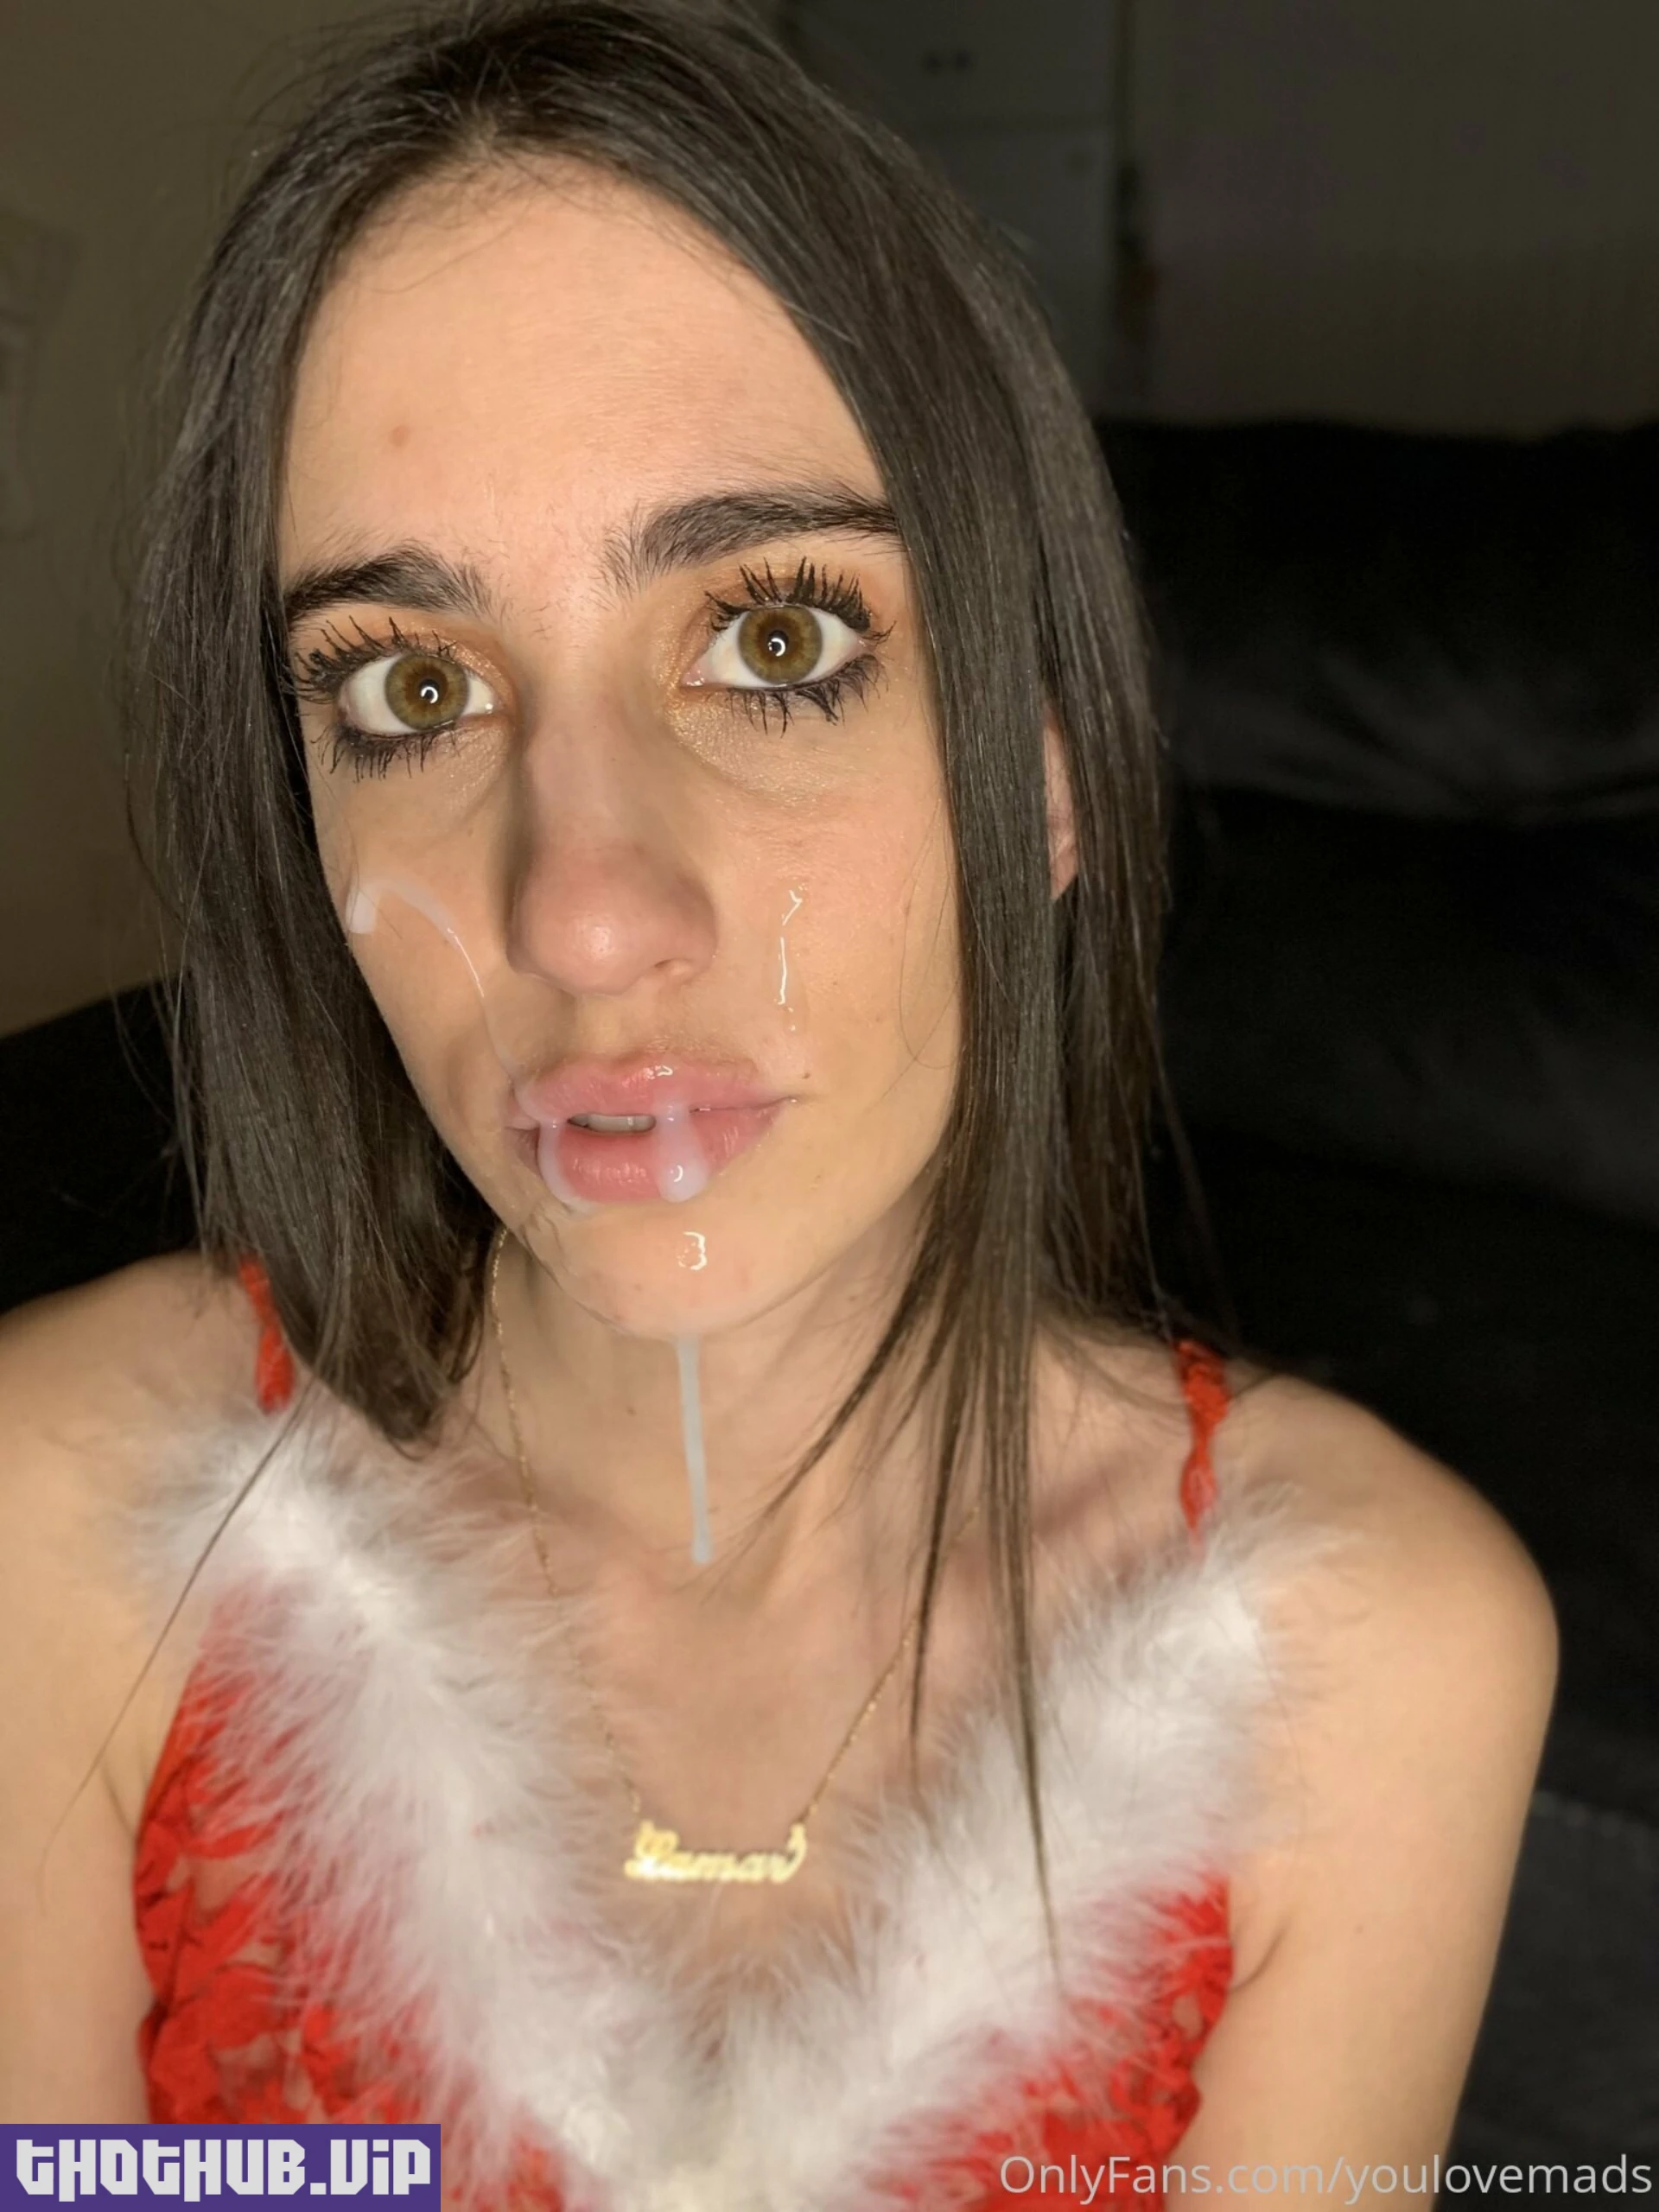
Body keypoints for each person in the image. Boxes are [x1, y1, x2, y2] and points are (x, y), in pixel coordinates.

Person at [0, 1, 1557, 2201]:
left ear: (1040, 779)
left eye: (773, 641)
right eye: (412, 685)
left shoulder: (1366, 1657)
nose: (584, 913)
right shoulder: (56, 1519)